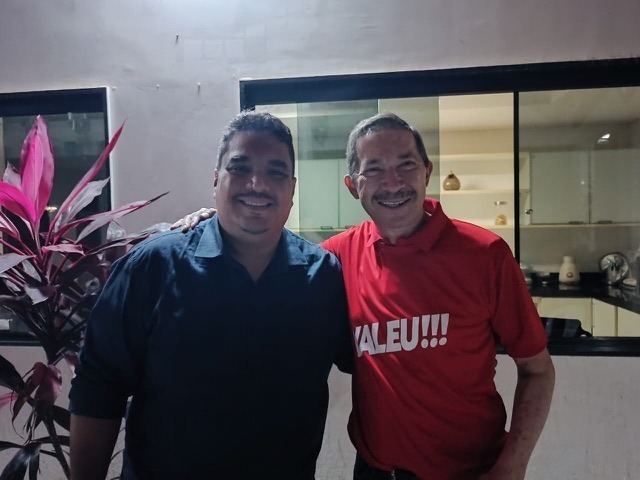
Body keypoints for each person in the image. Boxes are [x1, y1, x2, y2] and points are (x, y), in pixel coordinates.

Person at [175, 112, 555, 480]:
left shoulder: (485, 255)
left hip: (471, 472)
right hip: (375, 471)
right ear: (353, 186)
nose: (393, 183)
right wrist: (217, 221)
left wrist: (512, 467)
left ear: (426, 172)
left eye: (406, 164)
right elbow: (272, 249)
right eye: (373, 169)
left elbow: (537, 370)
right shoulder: (336, 258)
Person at [68, 111, 353, 480]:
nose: (257, 184)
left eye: (276, 172)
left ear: (292, 188)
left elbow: (369, 360)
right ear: (216, 179)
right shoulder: (152, 268)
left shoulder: (323, 276)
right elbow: (98, 387)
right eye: (240, 167)